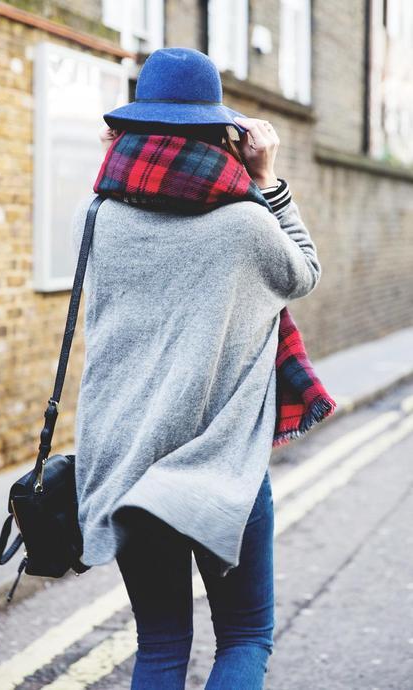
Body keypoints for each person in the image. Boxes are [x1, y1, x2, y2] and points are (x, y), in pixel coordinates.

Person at [71, 47, 322, 689]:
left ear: (128, 132)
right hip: (221, 467)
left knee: (158, 647)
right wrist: (267, 181)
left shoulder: (97, 217)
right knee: (244, 638)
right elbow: (304, 271)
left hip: (124, 463)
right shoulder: (245, 226)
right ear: (223, 133)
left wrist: (122, 146)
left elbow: (134, 183)